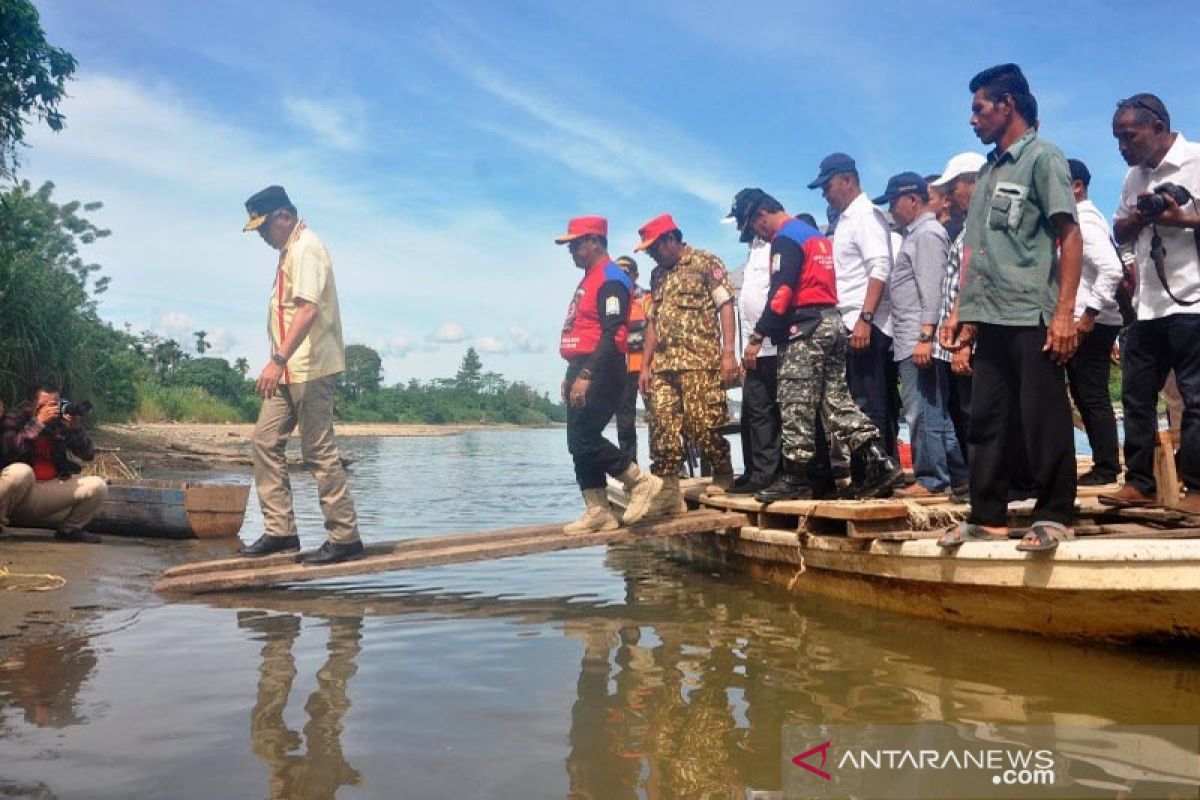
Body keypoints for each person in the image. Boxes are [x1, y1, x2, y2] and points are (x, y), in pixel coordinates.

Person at [939, 63, 1082, 552]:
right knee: (987, 421)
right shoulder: (986, 173)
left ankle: (1055, 513)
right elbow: (975, 249)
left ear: (1008, 105)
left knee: (1043, 418)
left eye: (979, 108)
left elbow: (1069, 234)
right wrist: (961, 311)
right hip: (989, 316)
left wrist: (1064, 313)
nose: (972, 119)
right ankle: (986, 517)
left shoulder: (1043, 158)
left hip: (1031, 314)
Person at [729, 188, 902, 502]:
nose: (758, 235)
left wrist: (757, 336)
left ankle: (796, 479)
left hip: (804, 329)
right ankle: (879, 459)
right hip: (831, 322)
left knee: (795, 402)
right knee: (836, 401)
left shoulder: (786, 239)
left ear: (760, 216)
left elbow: (781, 292)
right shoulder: (815, 236)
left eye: (753, 227)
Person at [238, 185, 363, 565]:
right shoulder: (288, 251)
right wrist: (279, 363)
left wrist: (276, 359)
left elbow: (307, 311)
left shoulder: (307, 247)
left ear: (284, 217)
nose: (260, 235)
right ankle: (281, 532)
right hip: (288, 368)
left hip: (309, 367)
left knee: (318, 450)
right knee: (264, 441)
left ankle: (345, 538)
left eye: (263, 227)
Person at [1101, 93, 1200, 513]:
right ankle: (1138, 483)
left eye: (1129, 136)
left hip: (1194, 301)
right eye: (1117, 139)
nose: (1123, 147)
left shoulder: (1196, 160)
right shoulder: (1133, 178)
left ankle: (1195, 489)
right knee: (1138, 398)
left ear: (1157, 127)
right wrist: (1143, 215)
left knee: (1197, 400)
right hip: (1148, 306)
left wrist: (1181, 218)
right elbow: (1120, 232)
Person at [556, 217, 661, 531]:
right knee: (577, 441)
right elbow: (583, 328)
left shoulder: (611, 278)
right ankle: (598, 509)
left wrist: (587, 372)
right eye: (570, 245)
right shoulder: (589, 277)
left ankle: (640, 482)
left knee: (584, 437)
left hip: (602, 365)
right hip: (582, 364)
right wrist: (571, 372)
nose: (572, 250)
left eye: (576, 244)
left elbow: (612, 331)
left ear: (594, 242)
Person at [636, 213, 738, 511]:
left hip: (700, 362)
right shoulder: (657, 275)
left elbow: (726, 306)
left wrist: (728, 353)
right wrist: (645, 365)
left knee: (704, 424)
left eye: (654, 247)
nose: (652, 254)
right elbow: (653, 322)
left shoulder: (707, 262)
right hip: (665, 366)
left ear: (670, 239)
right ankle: (667, 488)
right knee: (662, 426)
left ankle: (722, 470)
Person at [808, 152, 900, 478]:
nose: (824, 193)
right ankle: (868, 473)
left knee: (869, 400)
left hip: (865, 322)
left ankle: (880, 471)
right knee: (857, 398)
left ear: (847, 180)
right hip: (849, 320)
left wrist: (866, 318)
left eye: (827, 185)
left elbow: (880, 266)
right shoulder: (844, 220)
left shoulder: (865, 216)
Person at [876, 173, 966, 498]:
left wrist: (925, 336)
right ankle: (959, 474)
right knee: (934, 411)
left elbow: (934, 289)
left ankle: (931, 480)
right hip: (912, 340)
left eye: (892, 202)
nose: (891, 210)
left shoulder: (926, 235)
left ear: (912, 200)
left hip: (919, 339)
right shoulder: (916, 235)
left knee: (922, 412)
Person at [1065, 158, 1124, 486]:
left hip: (1091, 321)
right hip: (1096, 319)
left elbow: (1112, 269)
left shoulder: (1084, 222)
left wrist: (1088, 315)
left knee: (1091, 394)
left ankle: (1106, 467)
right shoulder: (1085, 220)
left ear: (1076, 186)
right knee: (1086, 393)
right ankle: (1105, 463)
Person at [929, 152, 987, 469]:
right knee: (966, 410)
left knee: (975, 411)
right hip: (962, 337)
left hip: (973, 337)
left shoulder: (982, 226)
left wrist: (965, 340)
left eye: (953, 189)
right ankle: (978, 479)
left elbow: (977, 282)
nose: (949, 198)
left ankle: (988, 480)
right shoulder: (969, 228)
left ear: (973, 182)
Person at [0, 384, 107, 543]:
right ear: (31, 405)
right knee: (20, 472)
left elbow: (88, 454)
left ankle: (69, 530)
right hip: (15, 495)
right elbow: (9, 451)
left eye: (55, 404)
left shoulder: (59, 424)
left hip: (46, 494)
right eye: (45, 404)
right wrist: (38, 422)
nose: (51, 409)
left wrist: (75, 428)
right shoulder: (15, 417)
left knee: (98, 485)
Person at [729, 230, 782, 494]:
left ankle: (769, 473)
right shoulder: (753, 252)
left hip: (772, 345)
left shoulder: (776, 246)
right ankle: (756, 471)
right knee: (752, 413)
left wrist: (760, 337)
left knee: (770, 413)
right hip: (752, 350)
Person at [614, 255, 648, 465]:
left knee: (658, 418)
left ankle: (667, 466)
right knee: (624, 421)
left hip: (646, 368)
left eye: (627, 274)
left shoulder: (647, 299)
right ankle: (629, 467)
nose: (624, 278)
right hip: (622, 370)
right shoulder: (611, 300)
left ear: (635, 275)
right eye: (619, 274)